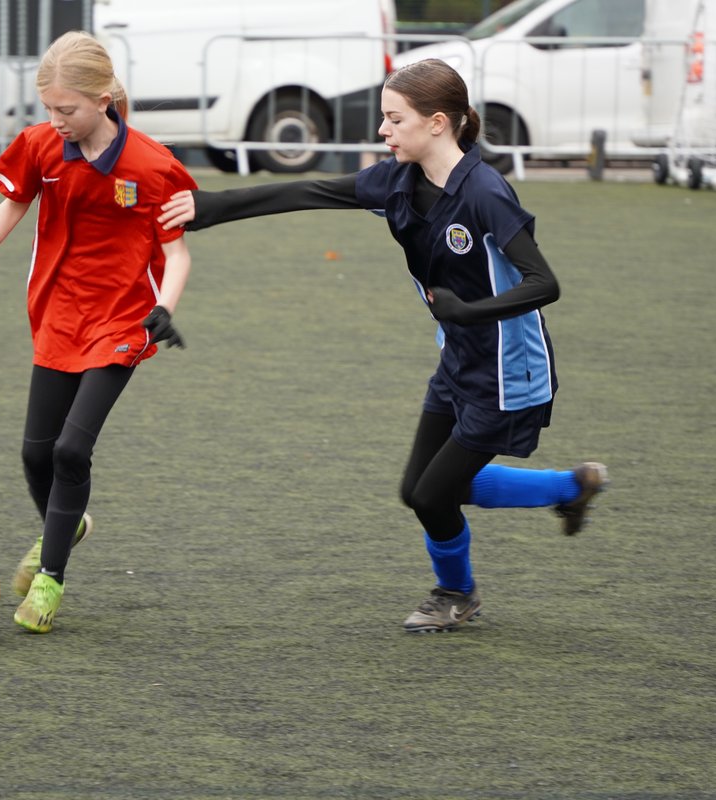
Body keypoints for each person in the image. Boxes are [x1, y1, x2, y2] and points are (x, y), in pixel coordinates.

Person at [158, 59, 608, 633]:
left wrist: (465, 311)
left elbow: (544, 283)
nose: (383, 131)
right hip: (457, 362)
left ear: (438, 123)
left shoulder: (485, 194)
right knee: (419, 489)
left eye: (394, 120)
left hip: (507, 373)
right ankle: (570, 487)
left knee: (431, 495)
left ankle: (457, 594)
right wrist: (213, 207)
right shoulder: (398, 181)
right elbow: (312, 190)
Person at [0, 30, 197, 634]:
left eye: (67, 110)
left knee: (72, 450)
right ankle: (66, 522)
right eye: (48, 109)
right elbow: (14, 202)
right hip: (57, 315)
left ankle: (50, 579)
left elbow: (176, 255)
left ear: (103, 98)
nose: (56, 121)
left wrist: (166, 309)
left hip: (124, 321)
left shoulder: (153, 167)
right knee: (35, 454)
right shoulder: (40, 146)